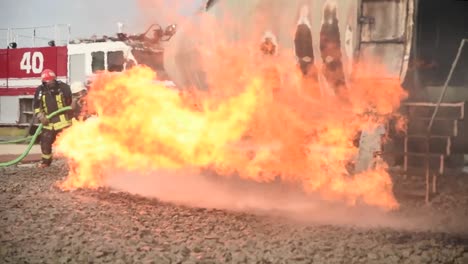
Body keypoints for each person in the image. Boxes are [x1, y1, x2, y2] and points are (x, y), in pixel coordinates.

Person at [33, 69, 73, 168]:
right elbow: (36, 106)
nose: (50, 83)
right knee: (45, 141)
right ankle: (46, 162)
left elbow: (71, 102)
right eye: (48, 81)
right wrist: (40, 116)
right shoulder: (40, 90)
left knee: (70, 142)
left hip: (63, 121)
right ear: (43, 82)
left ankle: (74, 162)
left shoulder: (64, 87)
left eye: (52, 81)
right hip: (48, 123)